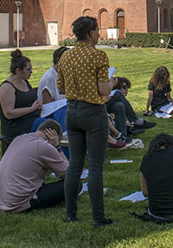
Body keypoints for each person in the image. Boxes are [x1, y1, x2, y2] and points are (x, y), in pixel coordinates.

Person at [57, 16, 116, 227]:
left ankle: (71, 214)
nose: (99, 34)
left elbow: (61, 88)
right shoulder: (98, 56)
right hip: (92, 112)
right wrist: (112, 82)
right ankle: (98, 218)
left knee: (74, 165)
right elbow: (103, 90)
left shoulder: (65, 56)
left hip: (71, 112)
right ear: (91, 33)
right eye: (98, 30)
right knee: (96, 167)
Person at [0, 120, 68, 213]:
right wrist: (57, 147)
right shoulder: (44, 146)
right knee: (75, 184)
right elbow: (69, 175)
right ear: (53, 136)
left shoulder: (19, 138)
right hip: (16, 204)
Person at [0, 50, 43, 139]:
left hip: (32, 119)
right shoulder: (7, 87)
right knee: (51, 126)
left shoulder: (25, 82)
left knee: (60, 116)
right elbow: (9, 113)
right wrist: (32, 108)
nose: (31, 71)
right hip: (18, 127)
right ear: (18, 70)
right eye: (28, 69)